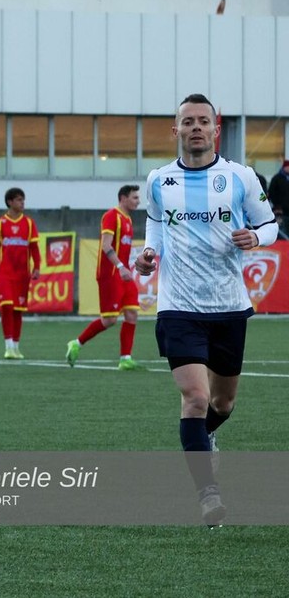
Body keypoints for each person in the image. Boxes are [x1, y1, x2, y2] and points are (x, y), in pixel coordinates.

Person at [133, 93, 278, 527]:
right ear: (175, 130)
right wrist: (148, 254)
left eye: (203, 121)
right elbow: (155, 225)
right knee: (195, 398)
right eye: (188, 121)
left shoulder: (240, 176)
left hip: (229, 306)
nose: (195, 127)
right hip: (178, 306)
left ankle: (206, 437)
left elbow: (270, 224)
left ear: (216, 129)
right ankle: (207, 495)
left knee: (223, 403)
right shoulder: (158, 180)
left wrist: (257, 238)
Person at [66, 185, 147, 371]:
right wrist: (120, 267)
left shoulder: (128, 219)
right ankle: (76, 343)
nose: (138, 201)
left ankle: (125, 359)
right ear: (123, 198)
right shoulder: (111, 216)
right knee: (110, 320)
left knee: (132, 313)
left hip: (124, 274)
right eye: (135, 197)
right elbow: (106, 245)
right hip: (110, 274)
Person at [0, 188, 40, 359]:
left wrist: (37, 267)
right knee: (7, 305)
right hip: (4, 273)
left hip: (22, 274)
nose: (22, 203)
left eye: (23, 200)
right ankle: (8, 347)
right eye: (18, 200)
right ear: (10, 202)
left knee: (17, 310)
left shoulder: (29, 223)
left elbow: (34, 248)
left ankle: (16, 347)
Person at [267, 159, 289, 237]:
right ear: (284, 167)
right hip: (280, 211)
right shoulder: (276, 178)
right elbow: (270, 193)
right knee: (282, 230)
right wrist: (277, 206)